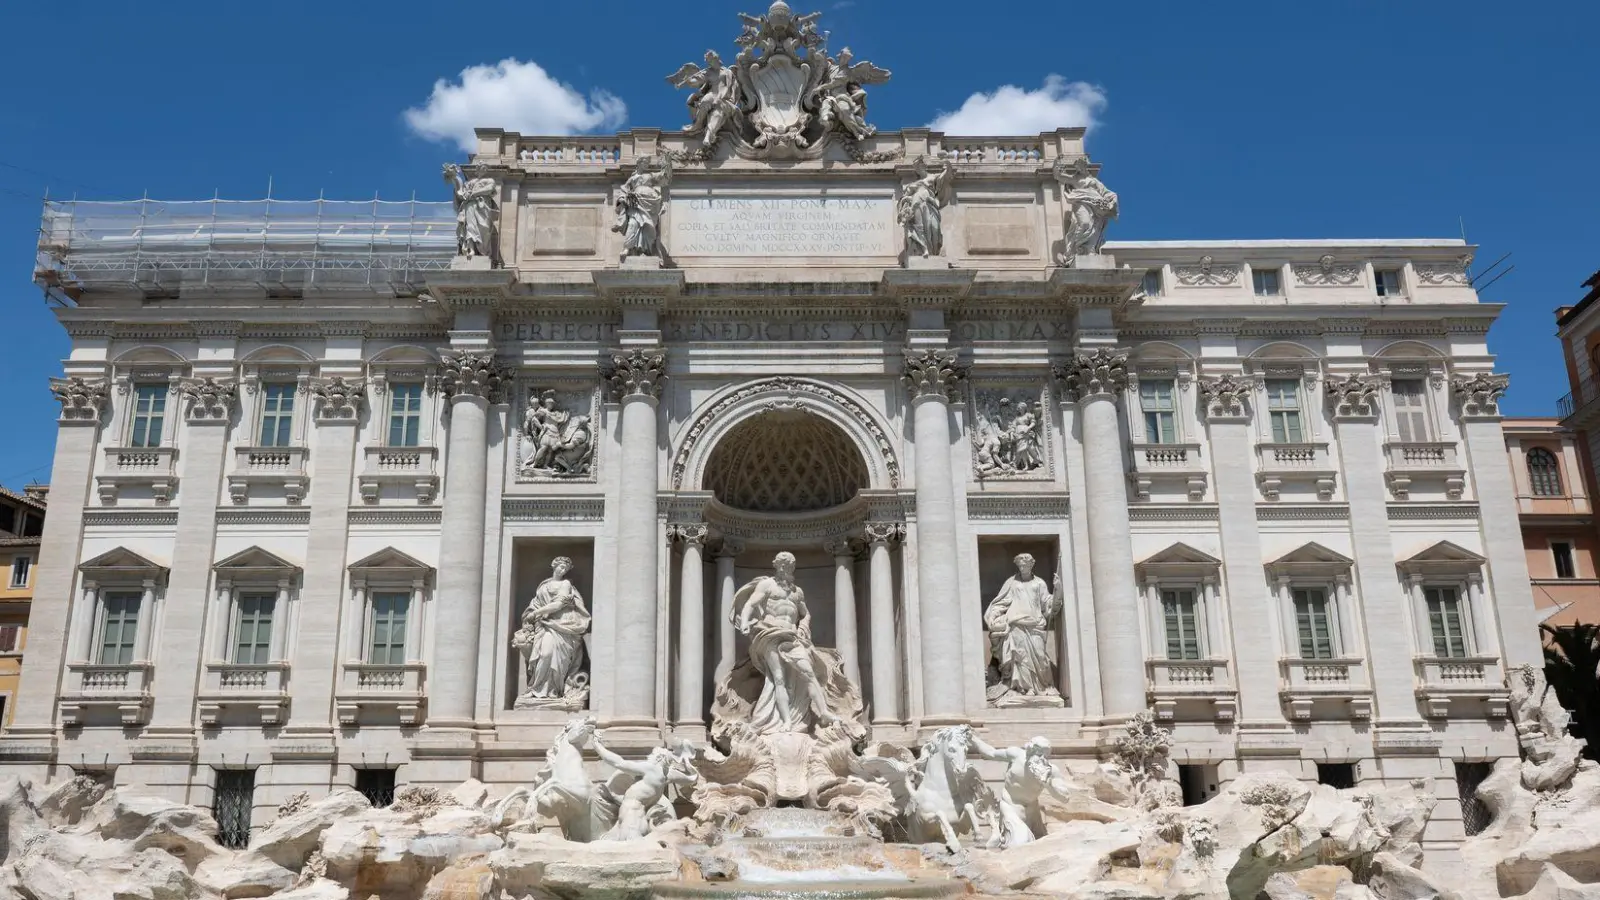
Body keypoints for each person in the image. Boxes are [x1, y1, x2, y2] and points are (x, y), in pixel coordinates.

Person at [734, 552, 844, 733]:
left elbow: (805, 613)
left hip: (792, 637)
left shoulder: (797, 592)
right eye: (784, 565)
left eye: (791, 565)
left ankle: (824, 711)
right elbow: (750, 605)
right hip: (770, 633)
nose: (787, 568)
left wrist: (804, 625)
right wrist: (745, 622)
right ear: (777, 566)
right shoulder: (767, 585)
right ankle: (786, 722)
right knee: (778, 678)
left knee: (808, 672)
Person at [968, 733, 1078, 847]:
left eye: (1045, 755)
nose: (1041, 758)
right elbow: (990, 753)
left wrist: (1047, 782)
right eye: (1038, 753)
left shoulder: (1050, 771)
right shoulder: (1016, 755)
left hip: (1032, 811)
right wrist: (973, 738)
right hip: (1010, 806)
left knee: (1041, 845)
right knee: (1020, 842)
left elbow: (1064, 797)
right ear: (1030, 749)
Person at [983, 554, 1062, 697]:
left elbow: (1048, 606)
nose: (1022, 568)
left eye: (1025, 565)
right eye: (1020, 566)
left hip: (1035, 625)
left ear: (1032, 565)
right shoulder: (1012, 583)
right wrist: (993, 615)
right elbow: (1000, 602)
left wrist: (1058, 590)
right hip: (1016, 625)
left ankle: (1042, 687)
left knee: (1039, 656)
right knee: (1020, 658)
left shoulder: (1039, 583)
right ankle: (1025, 689)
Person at [514, 557, 592, 703]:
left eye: (566, 569)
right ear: (554, 566)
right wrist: (531, 614)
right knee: (545, 654)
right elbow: (535, 603)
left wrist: (536, 613)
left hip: (563, 625)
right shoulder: (543, 586)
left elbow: (558, 605)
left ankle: (554, 691)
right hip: (545, 625)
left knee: (557, 658)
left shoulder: (566, 584)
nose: (563, 570)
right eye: (561, 567)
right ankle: (538, 689)